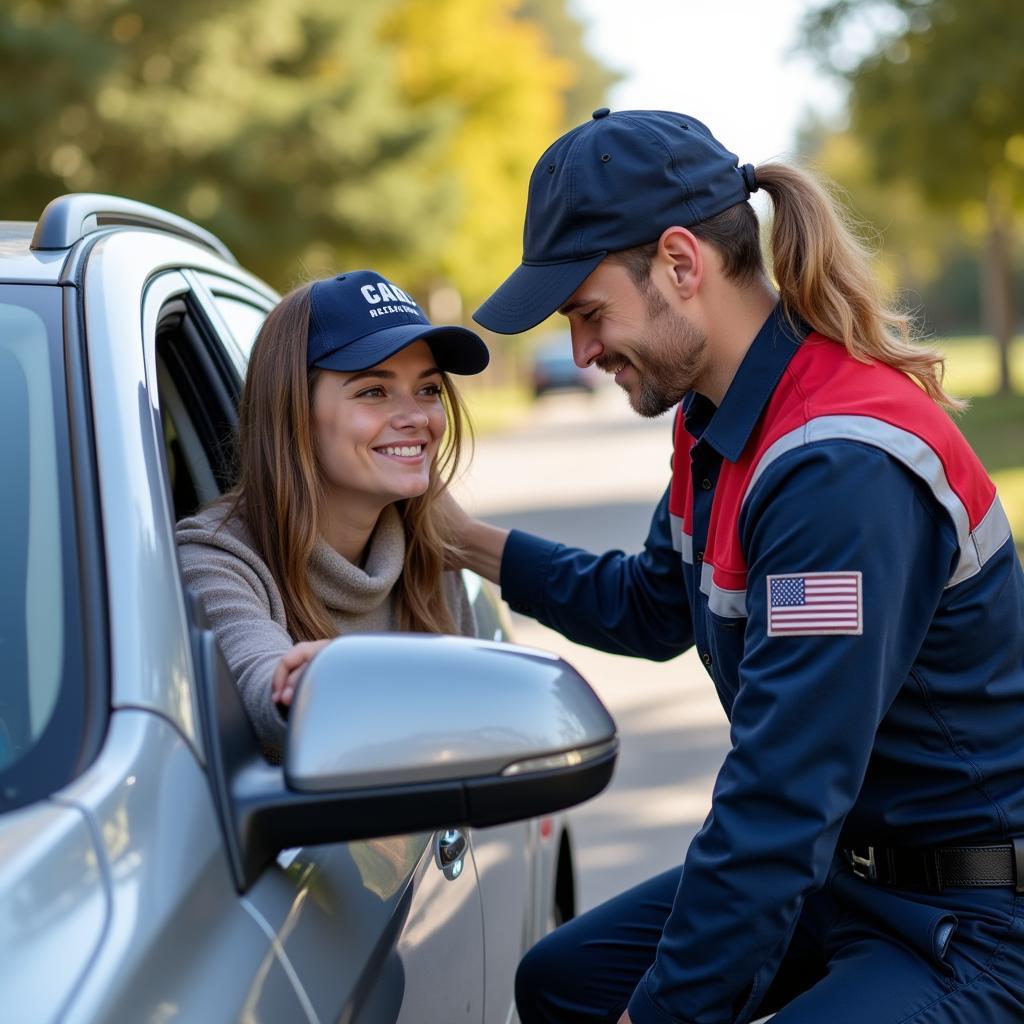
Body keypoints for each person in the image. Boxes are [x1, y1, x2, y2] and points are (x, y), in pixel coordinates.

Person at [445, 108, 1024, 1023]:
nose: (583, 350)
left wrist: (667, 1014)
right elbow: (651, 606)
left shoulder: (838, 467)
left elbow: (782, 796)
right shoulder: (715, 423)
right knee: (562, 983)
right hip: (848, 876)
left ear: (681, 263)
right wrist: (467, 540)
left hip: (970, 924)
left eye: (588, 313)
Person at [177, 270, 489, 759]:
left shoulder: (431, 556)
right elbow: (267, 689)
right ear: (294, 411)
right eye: (373, 391)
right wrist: (311, 690)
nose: (417, 417)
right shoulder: (213, 560)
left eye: (428, 390)